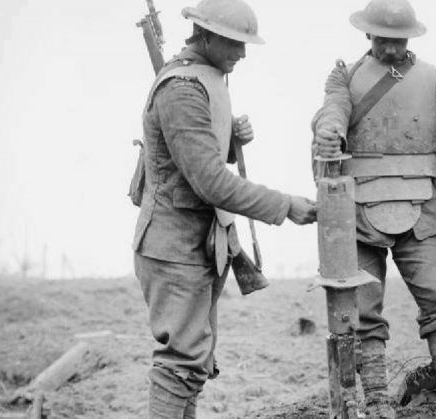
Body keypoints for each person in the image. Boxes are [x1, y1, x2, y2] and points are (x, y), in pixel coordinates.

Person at [132, 0, 317, 417]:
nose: (243, 53)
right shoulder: (182, 89)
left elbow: (194, 157)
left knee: (193, 365)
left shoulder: (208, 78)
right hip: (173, 248)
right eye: (234, 42)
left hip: (197, 244)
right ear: (206, 35)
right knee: (180, 364)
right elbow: (210, 182)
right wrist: (284, 205)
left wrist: (231, 140)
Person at [311, 0, 436, 417]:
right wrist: (329, 130)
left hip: (421, 207)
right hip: (360, 209)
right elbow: (334, 108)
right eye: (384, 40)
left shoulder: (432, 78)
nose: (391, 49)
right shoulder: (345, 77)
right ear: (368, 35)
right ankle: (378, 401)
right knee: (365, 310)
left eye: (398, 40)